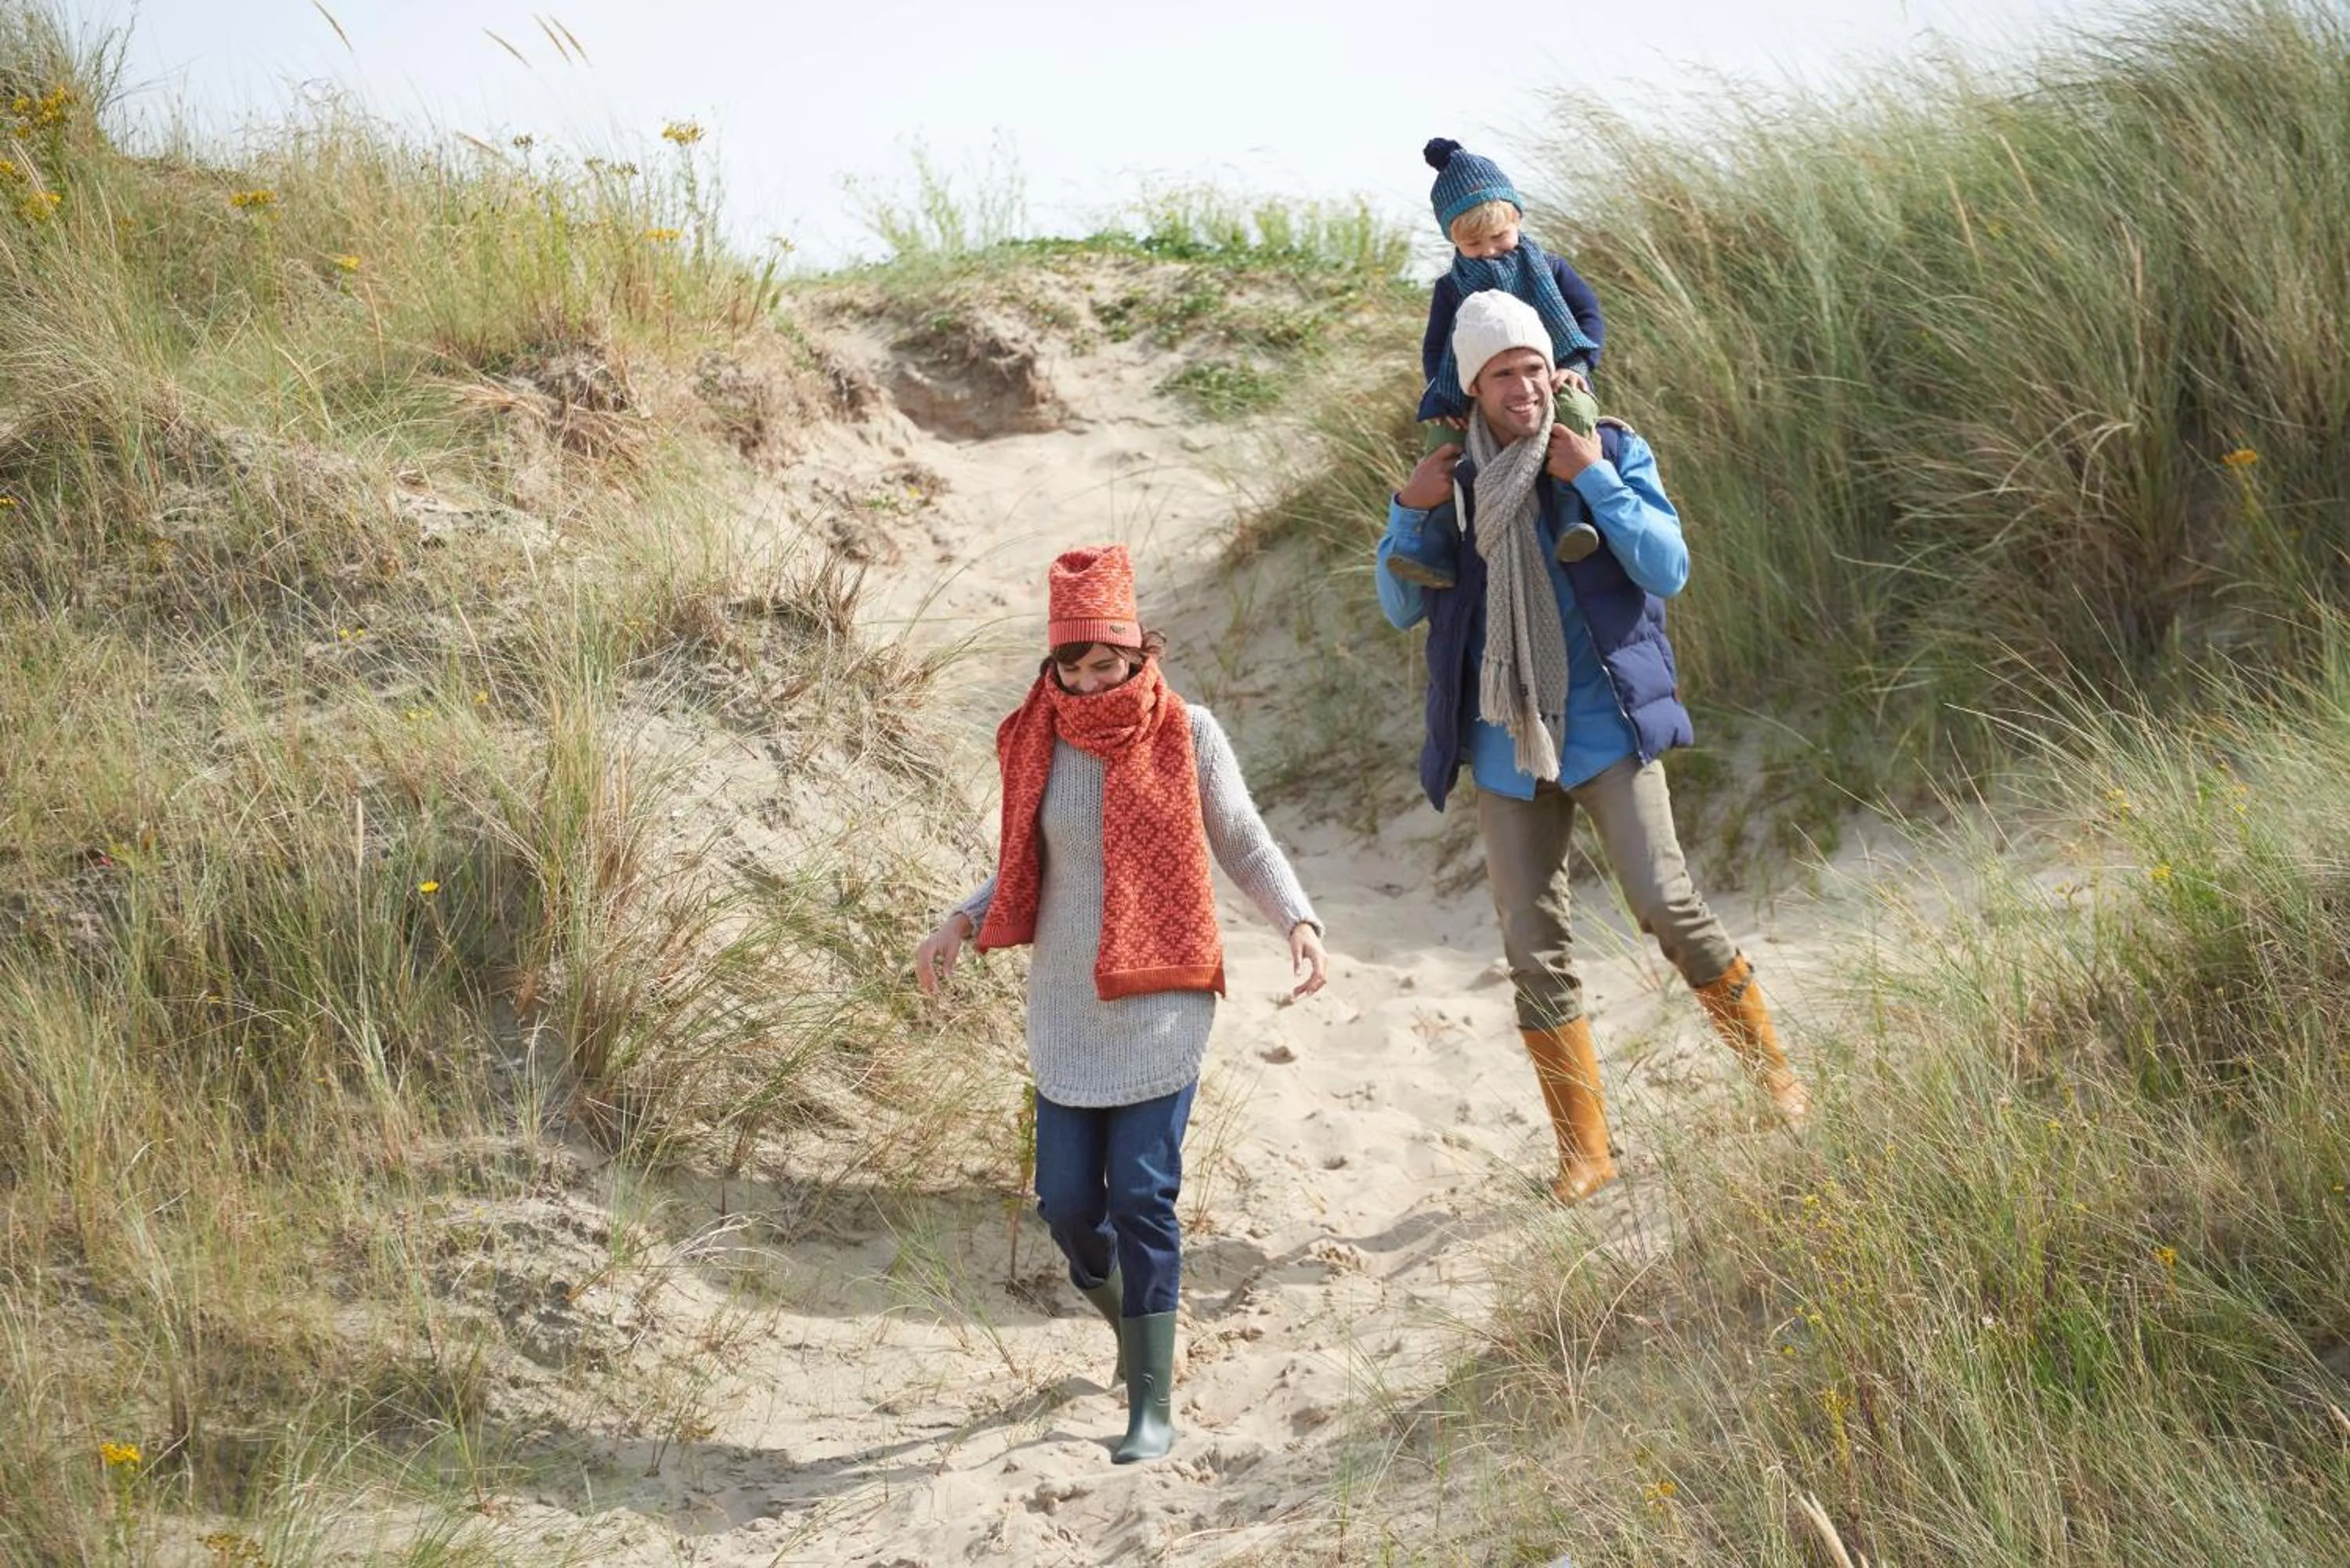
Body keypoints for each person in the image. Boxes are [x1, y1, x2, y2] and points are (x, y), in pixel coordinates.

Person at [1375, 290, 1807, 1206]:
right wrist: (1409, 515)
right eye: (1502, 373)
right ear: (1474, 386)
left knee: (1663, 900)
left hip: (1607, 727)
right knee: (1532, 946)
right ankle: (1585, 1152)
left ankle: (1773, 1073)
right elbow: (1401, 606)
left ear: (1552, 370)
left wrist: (1595, 477)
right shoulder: (1448, 478)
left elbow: (1667, 567)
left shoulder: (1608, 446)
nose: (1523, 384)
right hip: (1505, 742)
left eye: (1534, 366)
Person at [913, 544, 1327, 1462]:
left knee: (1143, 1193)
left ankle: (1152, 1402)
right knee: (1066, 1206)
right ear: (1053, 666)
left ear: (1142, 649)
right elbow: (1023, 866)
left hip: (1163, 993)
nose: (1096, 678)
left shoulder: (1189, 732)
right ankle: (1123, 1320)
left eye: (1112, 659)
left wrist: (1298, 920)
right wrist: (959, 919)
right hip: (1065, 1005)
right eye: (1077, 663)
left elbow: (1245, 842)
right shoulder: (1036, 742)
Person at [1390, 137, 1609, 589]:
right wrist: (1447, 392)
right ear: (1452, 238)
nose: (1489, 250)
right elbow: (1437, 348)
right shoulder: (1451, 287)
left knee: (1574, 417)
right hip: (1473, 384)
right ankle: (1437, 540)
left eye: (1499, 236)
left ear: (1518, 218)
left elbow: (1586, 315)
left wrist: (1580, 364)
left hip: (1556, 373)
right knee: (1442, 445)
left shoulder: (1547, 267)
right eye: (1473, 242)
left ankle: (1572, 515)